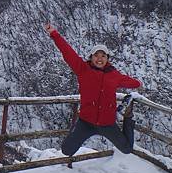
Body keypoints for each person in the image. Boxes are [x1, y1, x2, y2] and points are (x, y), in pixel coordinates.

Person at [44, 23, 142, 157]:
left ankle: (128, 120)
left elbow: (135, 83)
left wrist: (138, 84)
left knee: (126, 149)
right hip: (86, 122)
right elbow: (67, 52)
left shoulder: (115, 75)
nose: (99, 59)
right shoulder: (83, 70)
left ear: (107, 59)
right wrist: (54, 34)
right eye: (96, 55)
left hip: (107, 123)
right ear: (91, 57)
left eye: (103, 56)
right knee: (67, 150)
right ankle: (75, 130)